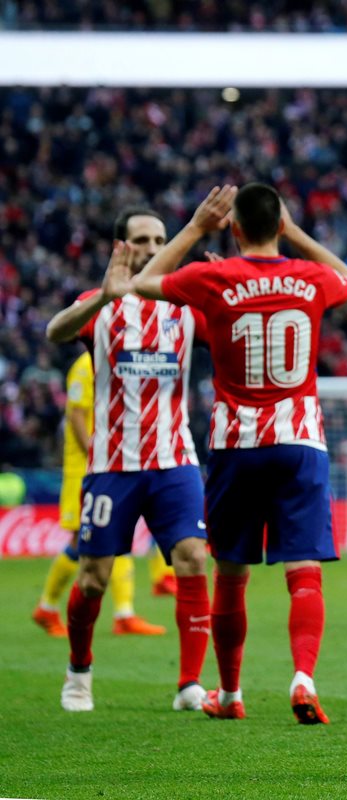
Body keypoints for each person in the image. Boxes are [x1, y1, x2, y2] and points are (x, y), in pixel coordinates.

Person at [133, 183, 347, 725]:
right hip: (300, 440)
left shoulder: (213, 277)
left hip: (238, 444)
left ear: (233, 228)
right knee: (304, 568)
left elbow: (141, 283)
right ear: (277, 224)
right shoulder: (309, 279)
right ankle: (303, 676)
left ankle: (231, 694)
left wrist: (194, 227)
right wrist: (296, 234)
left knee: (231, 572)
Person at [45, 207, 213, 714]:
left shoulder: (186, 307)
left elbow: (231, 328)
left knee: (193, 559)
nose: (152, 245)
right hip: (112, 464)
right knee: (94, 576)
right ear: (121, 246)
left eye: (160, 237)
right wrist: (103, 294)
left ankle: (188, 684)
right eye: (142, 238)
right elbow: (55, 331)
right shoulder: (101, 305)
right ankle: (78, 673)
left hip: (174, 459)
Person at [32, 352, 172, 640]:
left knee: (116, 535)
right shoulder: (86, 365)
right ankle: (48, 608)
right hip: (85, 469)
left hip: (109, 465)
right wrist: (98, 456)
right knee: (79, 539)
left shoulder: (113, 361)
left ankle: (123, 613)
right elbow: (76, 417)